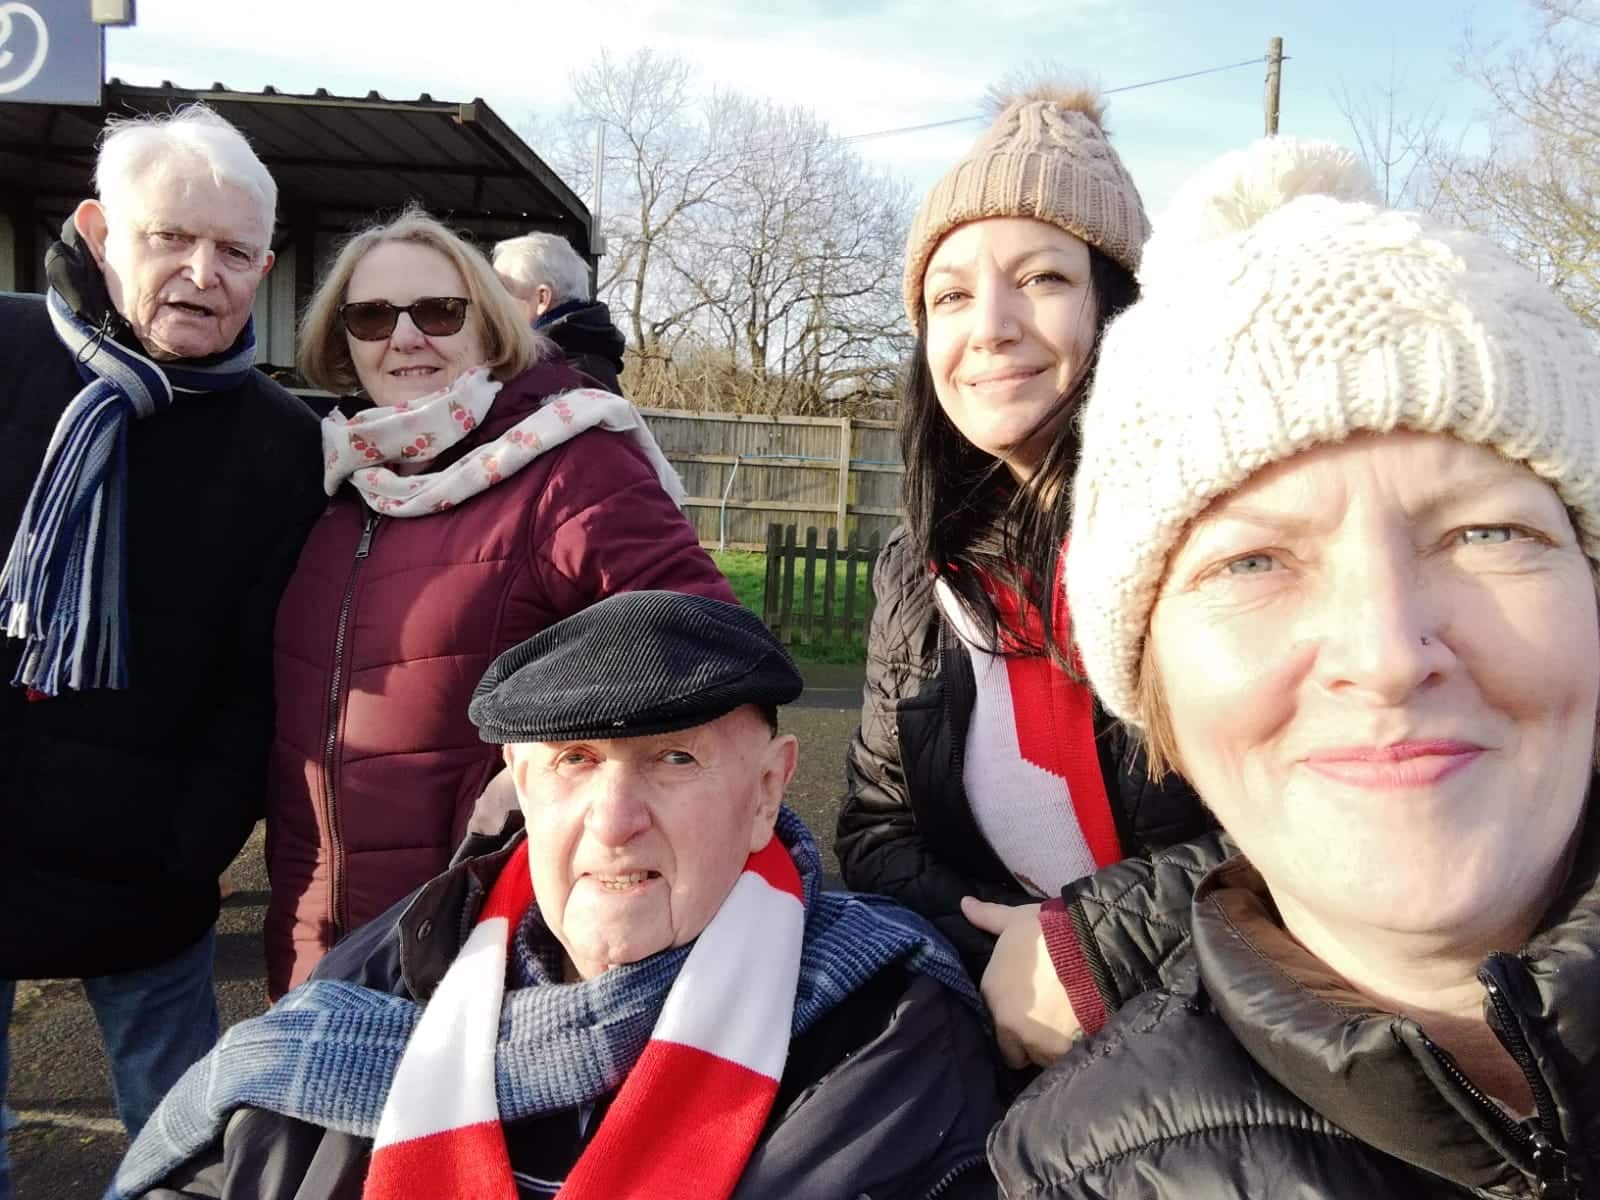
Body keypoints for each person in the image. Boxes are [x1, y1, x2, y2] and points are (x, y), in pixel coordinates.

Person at [986, 137, 1600, 1197]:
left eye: (1487, 534)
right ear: (1154, 685)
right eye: (1253, 561)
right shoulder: (1079, 1172)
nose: (1386, 654)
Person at [113, 591, 1004, 1200]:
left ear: (767, 790)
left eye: (675, 759)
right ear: (520, 783)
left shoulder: (886, 1028)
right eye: (574, 761)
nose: (614, 822)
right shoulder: (395, 965)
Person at [265, 208, 732, 998]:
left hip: (486, 940)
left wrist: (552, 765)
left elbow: (704, 641)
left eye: (439, 312)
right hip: (319, 941)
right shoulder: (340, 483)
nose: (404, 337)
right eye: (372, 316)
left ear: (488, 325)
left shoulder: (566, 464)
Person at [0, 105, 325, 1193]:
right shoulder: (3, 356)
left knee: (180, 1147)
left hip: (146, 876)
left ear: (264, 269)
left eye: (233, 251)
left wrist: (190, 845)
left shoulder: (282, 444)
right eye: (169, 238)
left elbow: (257, 679)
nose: (201, 273)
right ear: (98, 232)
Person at [833, 85, 1209, 1024]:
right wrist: (1006, 956)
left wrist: (1091, 948)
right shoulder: (919, 570)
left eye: (1042, 278)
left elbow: (1315, 827)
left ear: (1120, 306)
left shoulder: (1219, 538)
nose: (990, 326)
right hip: (994, 1017)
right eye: (951, 295)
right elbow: (878, 828)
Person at [493, 231, 627, 393]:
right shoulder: (587, 364)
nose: (491, 304)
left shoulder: (560, 381)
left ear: (542, 298)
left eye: (500, 292)